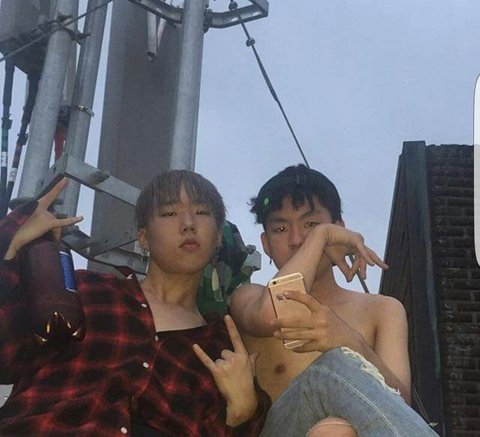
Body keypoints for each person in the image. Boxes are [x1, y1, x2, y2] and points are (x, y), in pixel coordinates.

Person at [0, 171, 270, 436]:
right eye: (169, 213)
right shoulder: (82, 291)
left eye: (201, 212)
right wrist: (10, 245)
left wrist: (243, 413)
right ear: (143, 238)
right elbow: (6, 358)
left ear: (218, 236)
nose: (188, 223)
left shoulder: (224, 350)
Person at [230, 164, 439, 437]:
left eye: (311, 225)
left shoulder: (382, 309)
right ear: (266, 243)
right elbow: (275, 312)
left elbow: (397, 406)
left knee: (335, 430)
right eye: (280, 228)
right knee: (326, 371)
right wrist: (320, 236)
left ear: (340, 229)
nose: (297, 240)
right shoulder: (249, 296)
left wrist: (350, 342)